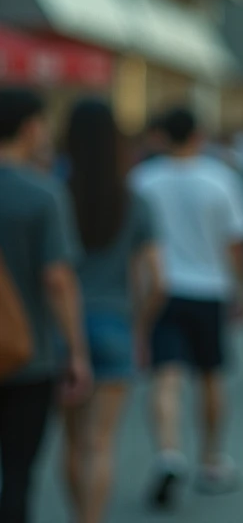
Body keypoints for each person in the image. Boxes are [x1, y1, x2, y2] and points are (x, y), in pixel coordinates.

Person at [131, 107, 243, 508]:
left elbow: (134, 248)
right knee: (211, 376)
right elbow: (236, 244)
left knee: (165, 376)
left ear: (161, 136)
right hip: (210, 289)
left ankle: (168, 453)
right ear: (198, 135)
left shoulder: (142, 181)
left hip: (161, 289)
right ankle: (211, 460)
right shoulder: (220, 180)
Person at [60, 99, 165, 523]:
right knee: (100, 443)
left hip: (61, 330)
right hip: (115, 325)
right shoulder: (134, 201)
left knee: (70, 443)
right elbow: (158, 280)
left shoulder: (54, 195)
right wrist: (139, 328)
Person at [0, 88, 92, 523]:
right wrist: (75, 351)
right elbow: (58, 278)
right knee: (17, 474)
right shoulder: (42, 193)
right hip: (26, 357)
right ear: (31, 126)